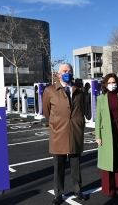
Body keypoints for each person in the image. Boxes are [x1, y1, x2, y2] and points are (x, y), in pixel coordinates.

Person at [43, 63, 86, 205]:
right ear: (58, 74)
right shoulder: (50, 91)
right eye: (64, 71)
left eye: (70, 71)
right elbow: (46, 112)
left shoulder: (79, 89)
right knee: (59, 167)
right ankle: (58, 194)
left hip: (75, 132)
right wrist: (56, 123)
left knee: (76, 166)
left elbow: (82, 109)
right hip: (59, 134)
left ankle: (78, 191)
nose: (67, 73)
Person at [95, 73, 118, 198]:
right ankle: (108, 189)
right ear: (105, 84)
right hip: (106, 132)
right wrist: (98, 136)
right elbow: (98, 118)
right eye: (109, 83)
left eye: (114, 82)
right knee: (107, 161)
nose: (112, 85)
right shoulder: (101, 98)